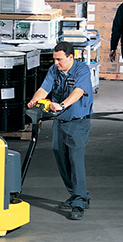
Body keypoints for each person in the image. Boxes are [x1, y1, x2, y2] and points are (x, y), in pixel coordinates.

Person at [27, 41, 94, 221]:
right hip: (60, 121)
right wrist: (34, 101)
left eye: (59, 59)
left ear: (70, 57)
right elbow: (44, 89)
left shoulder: (82, 70)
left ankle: (79, 201)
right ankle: (77, 194)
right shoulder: (54, 70)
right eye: (54, 59)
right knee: (60, 156)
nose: (56, 63)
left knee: (75, 159)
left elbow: (78, 92)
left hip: (78, 121)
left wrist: (61, 104)